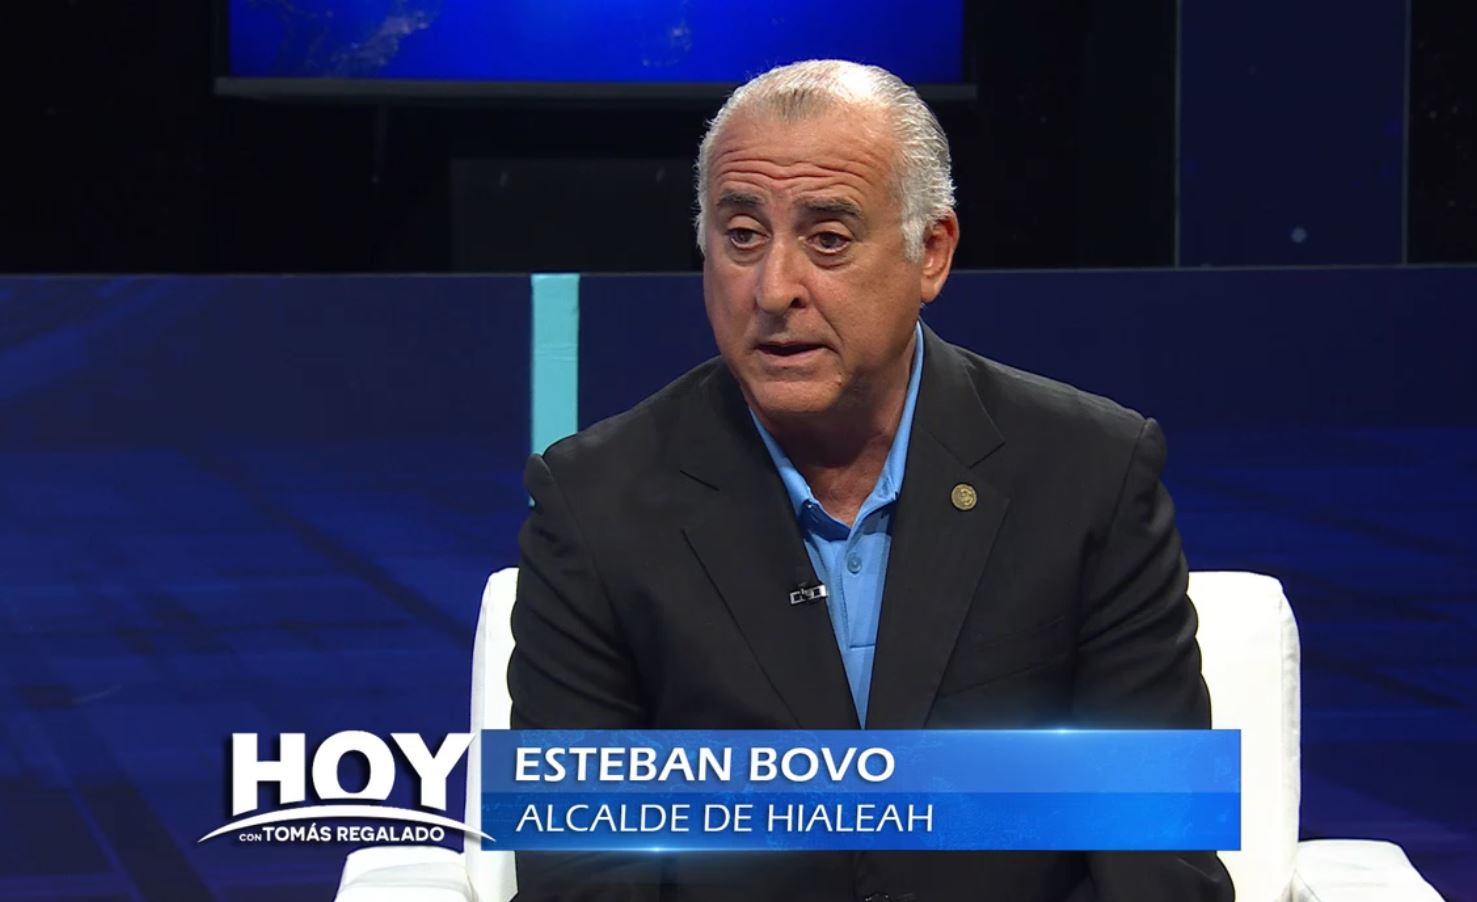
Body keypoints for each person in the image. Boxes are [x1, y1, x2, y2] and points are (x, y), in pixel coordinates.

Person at [508, 59, 1233, 902]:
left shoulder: (1090, 473)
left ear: (932, 253)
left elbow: (1157, 855)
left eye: (828, 239)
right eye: (742, 235)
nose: (774, 289)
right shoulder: (595, 503)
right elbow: (579, 875)